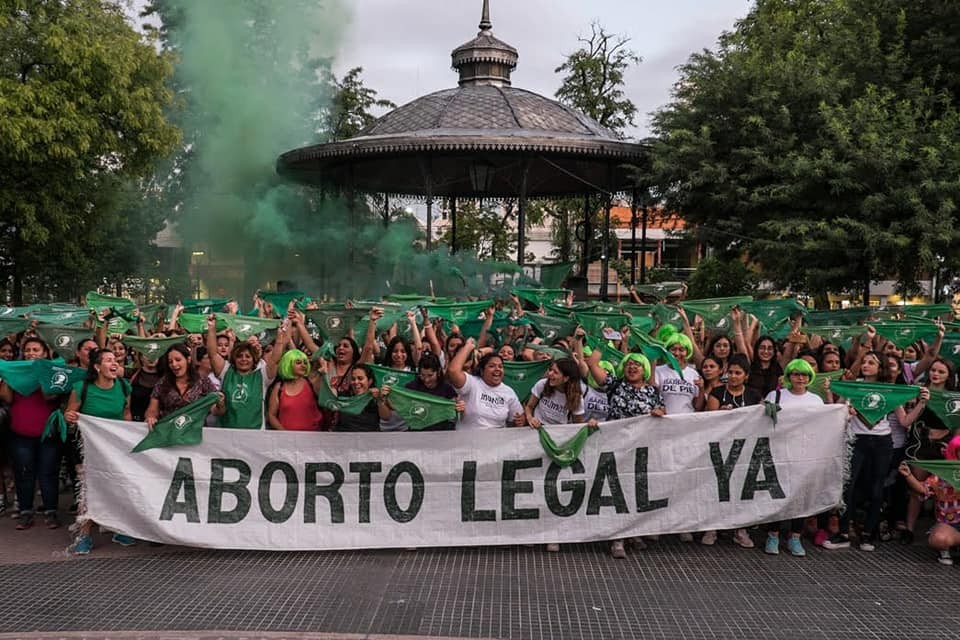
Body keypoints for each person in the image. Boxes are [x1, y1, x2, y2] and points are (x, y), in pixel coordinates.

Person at [585, 350, 664, 558]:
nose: (632, 367)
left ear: (644, 369)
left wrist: (659, 412)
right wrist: (600, 339)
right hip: (616, 446)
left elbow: (662, 410)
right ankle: (617, 539)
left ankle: (634, 532)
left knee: (635, 489)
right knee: (616, 490)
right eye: (629, 363)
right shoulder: (615, 385)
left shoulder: (652, 392)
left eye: (637, 364)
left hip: (640, 448)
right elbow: (593, 365)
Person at [63, 348, 132, 554]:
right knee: (88, 491)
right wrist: (70, 417)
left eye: (116, 361)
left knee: (116, 486)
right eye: (109, 360)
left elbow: (126, 412)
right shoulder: (81, 388)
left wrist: (127, 434)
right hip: (87, 448)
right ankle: (84, 535)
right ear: (97, 367)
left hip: (115, 448)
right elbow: (71, 413)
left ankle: (119, 528)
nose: (115, 364)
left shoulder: (123, 385)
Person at [760, 359, 823, 556]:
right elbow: (760, 419)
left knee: (799, 498)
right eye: (796, 374)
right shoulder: (776, 395)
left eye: (804, 374)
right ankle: (773, 535)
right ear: (788, 377)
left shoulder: (815, 400)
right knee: (776, 494)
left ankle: (795, 537)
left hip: (804, 454)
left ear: (810, 377)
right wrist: (764, 409)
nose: (800, 378)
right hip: (779, 452)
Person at [0, 337, 62, 530]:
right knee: (24, 473)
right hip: (20, 432)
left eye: (36, 350)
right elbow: (6, 398)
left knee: (48, 473)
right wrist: (10, 377)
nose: (31, 353)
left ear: (45, 353)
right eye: (28, 350)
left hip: (47, 433)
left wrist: (41, 373)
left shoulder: (53, 372)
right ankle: (26, 512)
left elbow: (50, 396)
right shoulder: (16, 371)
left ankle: (51, 512)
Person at [701, 354, 761, 548]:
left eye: (738, 373)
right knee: (716, 488)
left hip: (743, 449)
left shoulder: (753, 395)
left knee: (741, 489)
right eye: (731, 372)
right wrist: (722, 415)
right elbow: (710, 419)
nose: (734, 376)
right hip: (719, 448)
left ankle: (740, 530)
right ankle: (712, 528)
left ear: (746, 376)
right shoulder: (717, 393)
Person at [205, 315, 283, 429]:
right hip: (227, 433)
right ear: (234, 358)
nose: (244, 359)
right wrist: (211, 328)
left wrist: (280, 337)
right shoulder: (225, 371)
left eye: (248, 356)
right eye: (240, 356)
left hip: (254, 434)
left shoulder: (263, 375)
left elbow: (275, 359)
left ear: (254, 359)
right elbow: (212, 354)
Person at [898, 438, 960, 566]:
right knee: (938, 539)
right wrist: (909, 476)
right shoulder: (943, 475)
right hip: (950, 523)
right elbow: (924, 490)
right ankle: (946, 549)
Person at [447, 338, 524, 430]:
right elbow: (453, 371)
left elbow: (518, 420)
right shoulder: (472, 383)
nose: (497, 369)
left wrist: (520, 421)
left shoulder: (509, 392)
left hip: (497, 441)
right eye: (492, 366)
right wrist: (468, 346)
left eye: (500, 366)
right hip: (467, 440)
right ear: (482, 371)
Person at [144, 344, 223, 427]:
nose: (174, 364)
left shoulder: (203, 381)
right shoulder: (162, 383)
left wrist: (220, 404)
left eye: (178, 360)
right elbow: (152, 411)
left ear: (188, 359)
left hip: (195, 432)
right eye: (170, 362)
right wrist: (151, 417)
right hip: (169, 431)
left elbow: (215, 411)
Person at [266, 349, 323, 431]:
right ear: (288, 364)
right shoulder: (279, 387)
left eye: (305, 363)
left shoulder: (311, 383)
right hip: (287, 440)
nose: (303, 365)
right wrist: (285, 433)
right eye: (298, 362)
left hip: (313, 439)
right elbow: (272, 415)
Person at [655, 333, 702, 414]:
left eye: (681, 350)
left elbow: (697, 406)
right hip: (663, 422)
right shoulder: (658, 371)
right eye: (673, 349)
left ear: (687, 352)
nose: (677, 353)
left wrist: (702, 389)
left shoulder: (694, 374)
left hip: (686, 422)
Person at [330, 362, 382, 432]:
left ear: (369, 381)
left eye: (360, 378)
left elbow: (386, 417)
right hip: (344, 438)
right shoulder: (344, 396)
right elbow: (330, 397)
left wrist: (379, 399)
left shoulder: (375, 397)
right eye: (353, 379)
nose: (356, 382)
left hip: (370, 439)